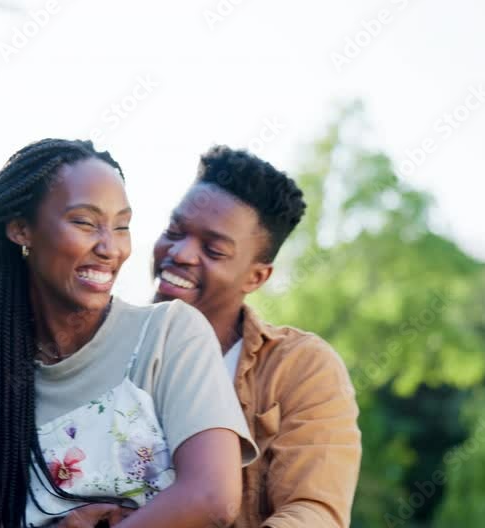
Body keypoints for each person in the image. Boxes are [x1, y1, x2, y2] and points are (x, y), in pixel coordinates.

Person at [0, 138, 257, 528]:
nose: (110, 248)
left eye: (122, 226)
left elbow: (212, 498)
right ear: (21, 229)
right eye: (85, 223)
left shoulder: (169, 335)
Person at [151, 145, 362, 527]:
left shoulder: (301, 367)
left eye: (213, 250)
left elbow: (314, 511)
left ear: (256, 277)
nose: (180, 253)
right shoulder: (105, 342)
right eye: (174, 231)